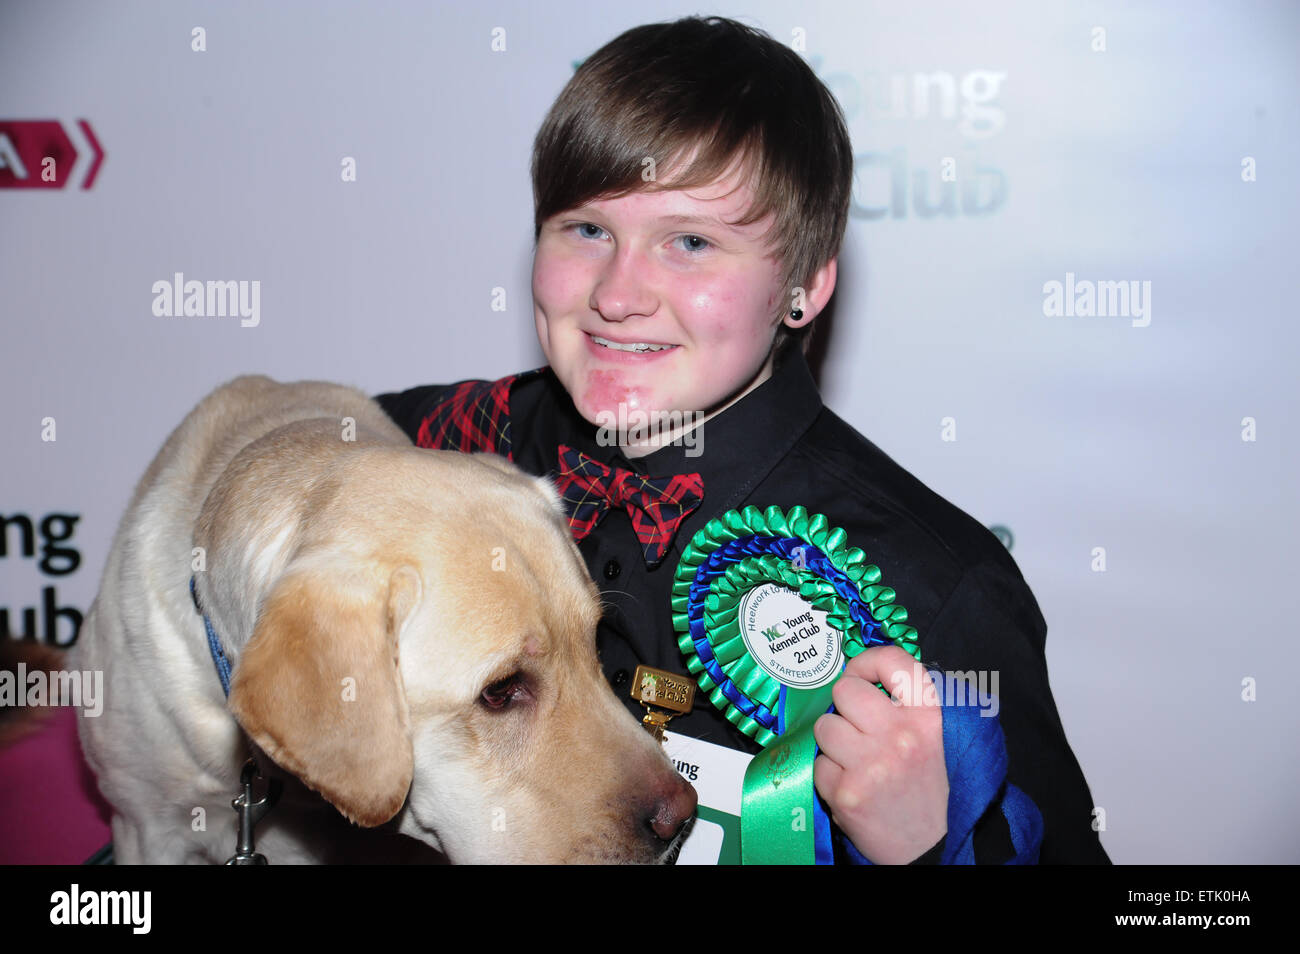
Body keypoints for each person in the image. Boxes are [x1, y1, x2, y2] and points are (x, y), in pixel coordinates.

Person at [378, 15, 1109, 864]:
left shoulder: (938, 585)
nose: (618, 294)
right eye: (587, 230)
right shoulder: (447, 449)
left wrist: (933, 850)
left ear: (804, 286)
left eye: (690, 242)